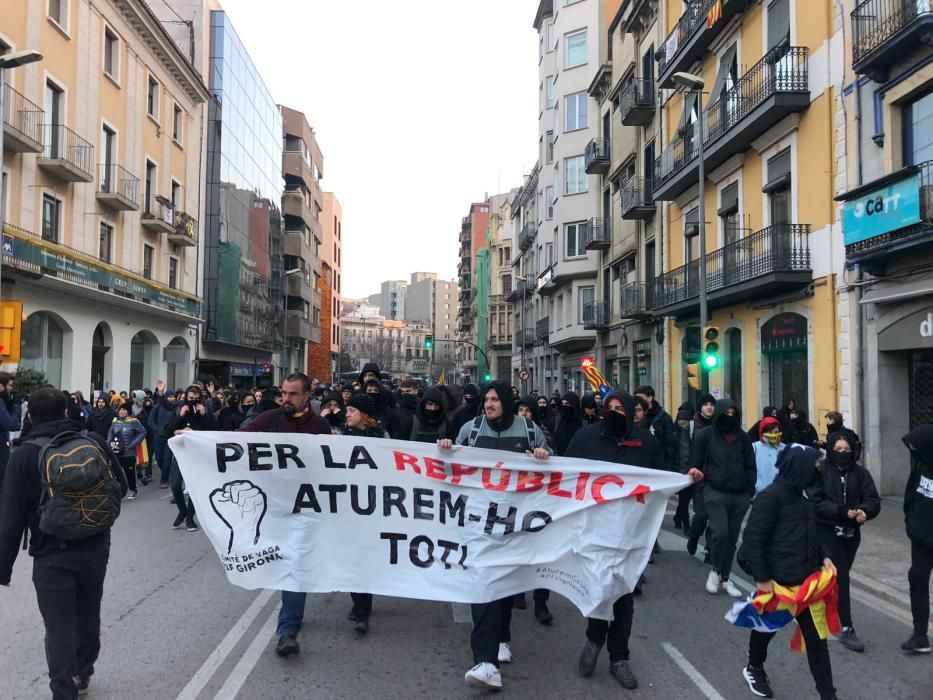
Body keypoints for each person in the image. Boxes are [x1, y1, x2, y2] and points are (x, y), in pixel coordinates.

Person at [0, 387, 128, 699]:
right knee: (88, 612)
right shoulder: (93, 441)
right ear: (68, 411)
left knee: (58, 627)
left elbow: (11, 518)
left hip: (51, 551)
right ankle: (83, 671)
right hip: (95, 545)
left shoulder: (24, 455)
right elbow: (121, 487)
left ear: (30, 416)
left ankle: (63, 690)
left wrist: (3, 569)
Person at [566, 392, 693, 690]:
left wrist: (687, 478)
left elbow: (662, 478)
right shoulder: (586, 439)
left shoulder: (646, 443)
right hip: (595, 534)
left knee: (623, 596)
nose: (613, 412)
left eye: (619, 408)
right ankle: (594, 638)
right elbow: (564, 472)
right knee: (600, 590)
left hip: (631, 536)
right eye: (608, 408)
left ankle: (618, 658)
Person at [438, 381, 552, 690]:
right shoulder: (471, 431)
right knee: (483, 585)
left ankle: (502, 637)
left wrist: (543, 455)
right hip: (478, 523)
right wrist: (447, 450)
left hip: (515, 525)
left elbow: (554, 470)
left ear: (505, 402)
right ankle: (485, 661)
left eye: (494, 399)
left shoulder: (529, 431)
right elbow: (450, 468)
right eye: (486, 399)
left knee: (505, 585)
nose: (488, 404)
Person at [736, 445, 839, 700]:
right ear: (800, 468)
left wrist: (825, 556)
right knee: (765, 629)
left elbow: (813, 532)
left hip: (807, 584)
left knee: (817, 642)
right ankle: (754, 668)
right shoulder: (770, 498)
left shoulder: (804, 496)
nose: (817, 470)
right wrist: (762, 579)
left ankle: (828, 695)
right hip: (778, 584)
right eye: (813, 465)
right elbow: (752, 540)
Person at [240, 373, 332, 658]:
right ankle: (290, 623)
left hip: (306, 508)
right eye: (284, 393)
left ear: (307, 396)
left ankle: (287, 630)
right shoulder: (268, 420)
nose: (286, 399)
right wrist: (193, 438)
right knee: (285, 564)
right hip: (274, 507)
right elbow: (232, 440)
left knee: (296, 562)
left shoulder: (319, 426)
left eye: (293, 394)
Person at [809, 434, 880, 653]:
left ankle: (817, 608)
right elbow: (816, 501)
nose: (842, 452)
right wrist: (840, 512)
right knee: (842, 578)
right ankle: (847, 627)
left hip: (851, 536)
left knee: (835, 579)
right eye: (837, 448)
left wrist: (864, 512)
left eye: (846, 448)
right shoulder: (820, 472)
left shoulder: (861, 474)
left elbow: (873, 500)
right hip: (826, 532)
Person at [691, 399, 756, 597]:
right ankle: (715, 570)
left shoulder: (743, 438)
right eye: (725, 412)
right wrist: (703, 487)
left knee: (732, 539)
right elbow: (695, 464)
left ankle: (725, 578)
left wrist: (749, 490)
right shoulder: (705, 436)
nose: (729, 416)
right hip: (715, 491)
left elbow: (750, 465)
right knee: (720, 533)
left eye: (732, 412)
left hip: (739, 495)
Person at [340, 392, 389, 635]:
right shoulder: (339, 437)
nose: (346, 414)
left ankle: (362, 610)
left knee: (364, 558)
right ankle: (358, 603)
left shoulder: (382, 437)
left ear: (365, 416)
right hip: (347, 506)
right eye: (346, 410)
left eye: (351, 410)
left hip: (372, 506)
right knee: (350, 558)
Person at [166, 385, 218, 532]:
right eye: (190, 399)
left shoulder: (204, 409)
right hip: (181, 452)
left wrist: (204, 414)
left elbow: (213, 429)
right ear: (185, 397)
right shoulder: (178, 409)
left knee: (194, 486)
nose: (193, 401)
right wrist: (180, 417)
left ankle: (190, 517)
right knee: (175, 485)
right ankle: (182, 510)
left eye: (196, 399)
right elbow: (168, 430)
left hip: (197, 453)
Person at [901, 425, 933, 654]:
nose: (913, 451)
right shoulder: (920, 467)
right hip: (921, 538)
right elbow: (910, 496)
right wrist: (911, 524)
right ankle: (920, 634)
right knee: (918, 580)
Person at [107, 403, 147, 500]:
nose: (122, 411)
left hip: (128, 453)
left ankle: (133, 489)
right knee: (115, 472)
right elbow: (110, 432)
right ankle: (118, 491)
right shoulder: (115, 421)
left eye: (124, 410)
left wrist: (133, 444)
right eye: (120, 409)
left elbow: (143, 432)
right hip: (116, 451)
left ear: (128, 411)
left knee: (129, 473)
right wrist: (108, 443)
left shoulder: (134, 421)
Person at [635, 385, 676, 470]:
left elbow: (670, 445)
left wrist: (668, 467)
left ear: (650, 398)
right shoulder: (635, 417)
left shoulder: (664, 418)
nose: (638, 401)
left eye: (640, 398)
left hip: (659, 464)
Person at [673, 402, 696, 535]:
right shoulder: (682, 430)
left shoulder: (681, 429)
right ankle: (685, 524)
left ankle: (678, 518)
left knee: (684, 499)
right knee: (684, 499)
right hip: (682, 469)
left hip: (686, 468)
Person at [148, 392, 177, 489]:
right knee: (159, 458)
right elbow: (151, 421)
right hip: (158, 436)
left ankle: (164, 480)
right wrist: (157, 429)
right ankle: (168, 473)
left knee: (167, 459)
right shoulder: (157, 407)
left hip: (170, 437)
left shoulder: (175, 408)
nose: (171, 398)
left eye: (173, 396)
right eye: (169, 396)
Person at [753, 417, 785, 494]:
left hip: (780, 493)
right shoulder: (754, 447)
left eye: (776, 432)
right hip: (760, 493)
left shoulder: (785, 448)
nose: (773, 435)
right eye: (770, 432)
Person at [552, 391, 584, 457]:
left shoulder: (583, 423)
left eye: (567, 404)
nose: (564, 406)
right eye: (563, 404)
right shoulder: (556, 421)